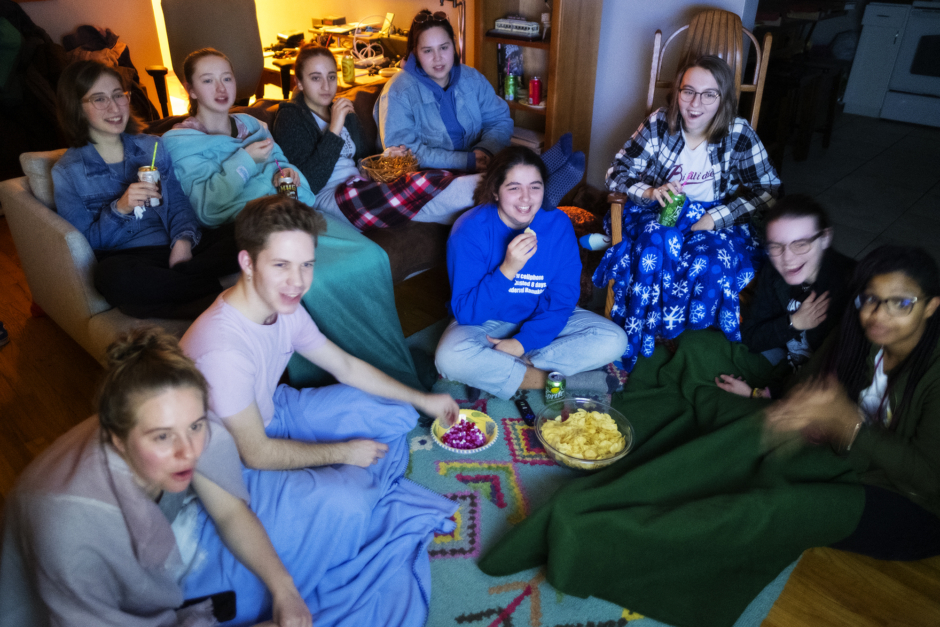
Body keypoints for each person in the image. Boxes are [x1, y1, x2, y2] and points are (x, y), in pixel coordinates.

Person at [479, 245, 940, 627]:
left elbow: (928, 477)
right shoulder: (857, 333)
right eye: (870, 300)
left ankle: (603, 541)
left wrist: (849, 424)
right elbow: (806, 390)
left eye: (901, 303)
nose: (879, 314)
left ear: (932, 306)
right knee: (729, 441)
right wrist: (775, 401)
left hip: (902, 500)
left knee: (768, 509)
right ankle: (591, 505)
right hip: (835, 445)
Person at [178, 195, 459, 625]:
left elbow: (343, 365)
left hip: (274, 413)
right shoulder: (222, 352)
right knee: (350, 500)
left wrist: (423, 400)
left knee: (397, 412)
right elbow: (256, 454)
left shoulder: (282, 306)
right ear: (248, 263)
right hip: (234, 464)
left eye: (306, 264)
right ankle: (345, 497)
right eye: (281, 265)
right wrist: (343, 452)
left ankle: (346, 489)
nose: (297, 281)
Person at [0, 326, 311, 626]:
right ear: (118, 440)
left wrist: (285, 589)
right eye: (162, 436)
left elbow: (229, 511)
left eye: (195, 426)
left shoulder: (182, 415)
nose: (188, 452)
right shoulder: (70, 529)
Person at [162, 48, 424, 389]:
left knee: (370, 255)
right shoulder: (179, 142)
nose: (221, 88)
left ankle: (387, 363)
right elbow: (209, 208)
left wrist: (289, 177)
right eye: (208, 80)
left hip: (292, 211)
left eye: (226, 78)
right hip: (252, 227)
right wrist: (246, 161)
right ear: (191, 89)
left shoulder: (253, 125)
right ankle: (336, 380)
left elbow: (289, 171)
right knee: (317, 280)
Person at [593, 55, 781, 372]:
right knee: (655, 245)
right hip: (659, 210)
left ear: (723, 99)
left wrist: (717, 218)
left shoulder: (738, 133)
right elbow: (616, 173)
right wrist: (649, 192)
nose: (695, 104)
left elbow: (770, 189)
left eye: (709, 95)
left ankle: (692, 342)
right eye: (688, 91)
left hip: (714, 216)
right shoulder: (659, 124)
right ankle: (642, 334)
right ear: (677, 91)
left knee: (713, 261)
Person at [435, 146, 628, 399]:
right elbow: (467, 312)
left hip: (540, 314)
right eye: (514, 188)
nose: (526, 199)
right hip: (487, 322)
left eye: (535, 187)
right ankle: (561, 380)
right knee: (449, 357)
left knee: (614, 339)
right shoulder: (470, 229)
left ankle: (497, 370)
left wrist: (522, 343)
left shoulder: (557, 225)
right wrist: (507, 270)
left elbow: (562, 300)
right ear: (495, 191)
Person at [51, 59, 238, 319]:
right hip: (132, 259)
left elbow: (179, 204)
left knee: (254, 229)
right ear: (76, 108)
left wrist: (183, 241)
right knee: (111, 278)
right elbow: (84, 245)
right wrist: (120, 209)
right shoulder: (67, 172)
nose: (114, 107)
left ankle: (174, 298)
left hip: (180, 246)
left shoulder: (152, 146)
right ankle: (223, 287)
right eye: (99, 99)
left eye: (118, 95)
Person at [273, 43, 482, 230]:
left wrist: (386, 157)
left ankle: (484, 195)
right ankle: (485, 188)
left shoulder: (343, 111)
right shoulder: (291, 117)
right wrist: (334, 128)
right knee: (421, 192)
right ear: (299, 82)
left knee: (432, 185)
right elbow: (308, 184)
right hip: (329, 198)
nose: (326, 86)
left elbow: (363, 162)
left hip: (359, 184)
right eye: (315, 78)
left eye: (331, 76)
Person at [717, 195, 856, 397]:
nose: (787, 258)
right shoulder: (773, 271)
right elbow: (751, 335)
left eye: (800, 244)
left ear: (825, 238)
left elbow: (845, 376)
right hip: (785, 366)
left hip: (816, 394)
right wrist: (794, 323)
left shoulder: (851, 285)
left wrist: (762, 394)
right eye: (776, 246)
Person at [377, 10, 512, 173]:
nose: (438, 58)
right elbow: (404, 153)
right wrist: (466, 161)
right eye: (427, 50)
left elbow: (499, 120)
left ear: (453, 46)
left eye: (443, 47)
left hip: (480, 167)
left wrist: (485, 151)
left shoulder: (473, 78)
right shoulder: (397, 90)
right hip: (425, 175)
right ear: (415, 52)